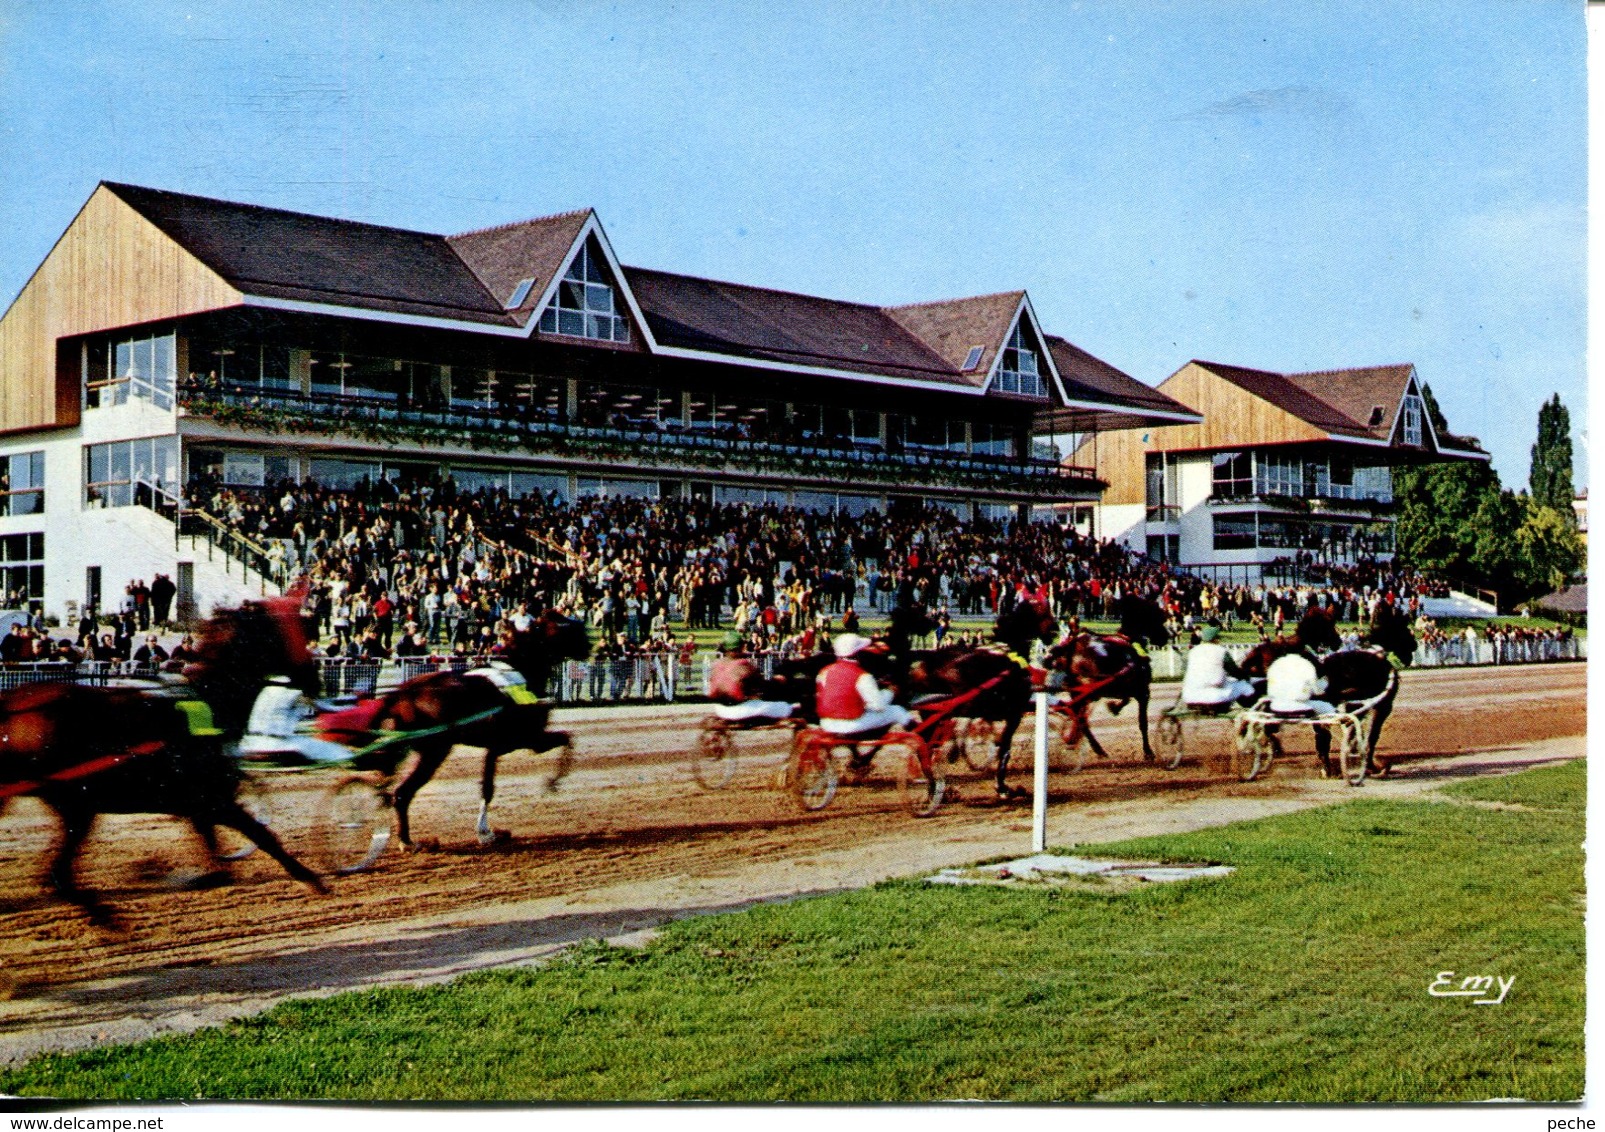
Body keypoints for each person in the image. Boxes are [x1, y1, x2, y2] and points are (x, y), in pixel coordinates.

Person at [816, 632, 912, 736]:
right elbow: (878, 706)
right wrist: (890, 692)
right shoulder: (862, 676)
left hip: (826, 723)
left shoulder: (823, 672)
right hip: (850, 724)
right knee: (896, 710)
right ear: (857, 654)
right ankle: (920, 737)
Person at [707, 631, 793, 723]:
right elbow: (762, 684)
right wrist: (777, 680)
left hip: (719, 709)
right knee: (785, 707)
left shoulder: (716, 664)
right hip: (740, 711)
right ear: (741, 647)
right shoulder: (744, 664)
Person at [1180, 625, 1255, 709]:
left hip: (1190, 696)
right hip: (1214, 697)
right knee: (1245, 686)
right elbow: (1235, 672)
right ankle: (1251, 712)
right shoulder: (1221, 651)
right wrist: (1245, 676)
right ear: (1215, 639)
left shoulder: (1192, 652)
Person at [1264, 652, 1334, 715]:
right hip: (1300, 707)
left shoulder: (1276, 664)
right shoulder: (1306, 665)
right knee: (1326, 706)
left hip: (1276, 707)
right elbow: (1317, 692)